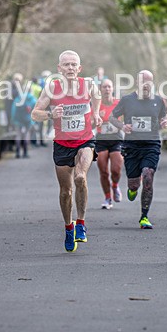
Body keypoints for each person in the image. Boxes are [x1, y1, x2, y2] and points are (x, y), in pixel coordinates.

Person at [31, 50, 101, 252]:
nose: (70, 68)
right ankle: (68, 227)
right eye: (66, 65)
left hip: (85, 140)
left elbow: (96, 97)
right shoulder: (52, 88)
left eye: (74, 65)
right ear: (59, 68)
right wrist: (51, 114)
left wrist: (95, 113)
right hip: (62, 144)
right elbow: (35, 114)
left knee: (80, 178)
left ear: (79, 68)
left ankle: (81, 223)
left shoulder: (87, 84)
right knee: (66, 191)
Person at [108, 70, 167, 229]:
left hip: (151, 145)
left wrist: (164, 121)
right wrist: (122, 126)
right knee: (134, 185)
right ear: (137, 83)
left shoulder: (158, 100)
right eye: (144, 82)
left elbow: (163, 115)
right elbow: (112, 117)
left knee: (148, 177)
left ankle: (144, 216)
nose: (147, 85)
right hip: (131, 147)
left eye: (149, 82)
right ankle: (132, 189)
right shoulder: (127, 100)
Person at [95, 78, 124, 209]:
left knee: (116, 170)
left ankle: (115, 186)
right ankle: (107, 197)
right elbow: (90, 122)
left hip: (116, 138)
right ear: (100, 90)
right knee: (103, 170)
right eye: (104, 87)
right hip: (101, 140)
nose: (107, 89)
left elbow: (128, 118)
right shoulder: (97, 104)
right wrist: (96, 120)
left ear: (112, 89)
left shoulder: (118, 104)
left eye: (109, 87)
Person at [11, 75, 36, 158]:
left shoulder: (19, 97)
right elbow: (35, 109)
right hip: (28, 120)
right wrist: (33, 120)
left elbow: (13, 109)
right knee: (26, 135)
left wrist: (13, 119)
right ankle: (25, 153)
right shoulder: (32, 98)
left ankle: (17, 153)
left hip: (18, 119)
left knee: (18, 135)